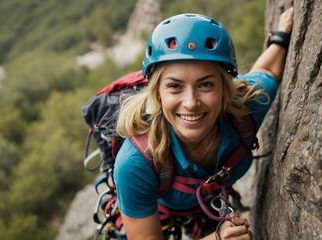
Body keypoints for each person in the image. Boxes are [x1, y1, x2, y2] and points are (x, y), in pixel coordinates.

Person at [114, 7, 294, 240]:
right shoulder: (136, 162)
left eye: (206, 85)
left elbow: (267, 71)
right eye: (174, 86)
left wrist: (281, 37)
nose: (191, 103)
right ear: (157, 93)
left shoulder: (245, 110)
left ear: (225, 89)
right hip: (159, 215)